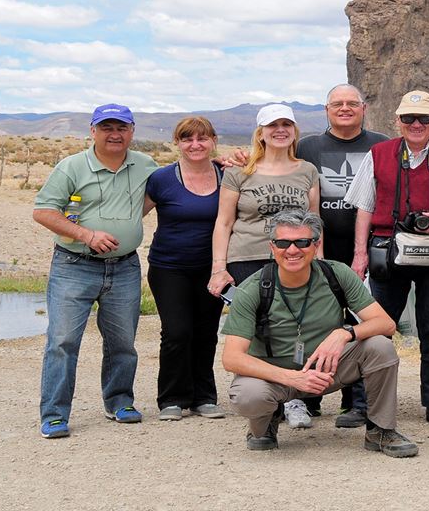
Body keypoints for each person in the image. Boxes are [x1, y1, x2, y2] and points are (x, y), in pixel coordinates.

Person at [221, 209, 417, 458]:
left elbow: (386, 324)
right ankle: (267, 420)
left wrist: (344, 333)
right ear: (272, 247)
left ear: (316, 245)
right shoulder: (253, 289)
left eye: (302, 242)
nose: (293, 250)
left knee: (380, 346)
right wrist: (292, 379)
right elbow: (232, 359)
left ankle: (381, 430)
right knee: (248, 395)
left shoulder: (336, 274)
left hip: (327, 370)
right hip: (275, 377)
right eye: (283, 243)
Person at [346, 90, 429, 428]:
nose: (415, 124)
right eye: (408, 118)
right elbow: (365, 207)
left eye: (423, 118)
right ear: (397, 121)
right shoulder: (378, 154)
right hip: (387, 252)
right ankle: (363, 404)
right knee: (376, 330)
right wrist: (359, 255)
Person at [33, 103, 158, 439]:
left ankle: (118, 401)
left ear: (132, 131)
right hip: (74, 266)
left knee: (122, 342)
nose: (114, 134)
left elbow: (172, 185)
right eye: (106, 128)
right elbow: (44, 211)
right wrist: (87, 234)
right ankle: (55, 414)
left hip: (125, 268)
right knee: (62, 341)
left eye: (121, 128)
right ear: (93, 131)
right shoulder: (71, 167)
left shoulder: (145, 165)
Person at [208, 103, 321, 430]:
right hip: (248, 257)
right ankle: (264, 399)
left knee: (297, 327)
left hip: (297, 256)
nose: (280, 130)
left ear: (295, 130)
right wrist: (219, 267)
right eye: (273, 125)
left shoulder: (307, 170)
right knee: (256, 331)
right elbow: (224, 221)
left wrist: (321, 263)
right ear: (261, 132)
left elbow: (315, 222)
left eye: (287, 124)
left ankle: (295, 397)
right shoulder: (238, 171)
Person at [295, 84, 390, 428]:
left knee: (361, 322)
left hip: (369, 248)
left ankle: (356, 401)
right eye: (338, 104)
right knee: (316, 320)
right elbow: (274, 162)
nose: (345, 108)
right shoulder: (307, 146)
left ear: (364, 108)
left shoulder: (380, 144)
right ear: (327, 110)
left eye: (352, 103)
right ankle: (309, 395)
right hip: (319, 246)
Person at [143, 116, 227, 421]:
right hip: (169, 267)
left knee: (207, 332)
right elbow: (131, 214)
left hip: (214, 268)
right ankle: (172, 398)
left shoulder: (226, 175)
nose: (195, 145)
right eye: (187, 139)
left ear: (213, 141)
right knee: (177, 331)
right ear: (177, 143)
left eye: (202, 138)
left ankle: (204, 396)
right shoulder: (161, 179)